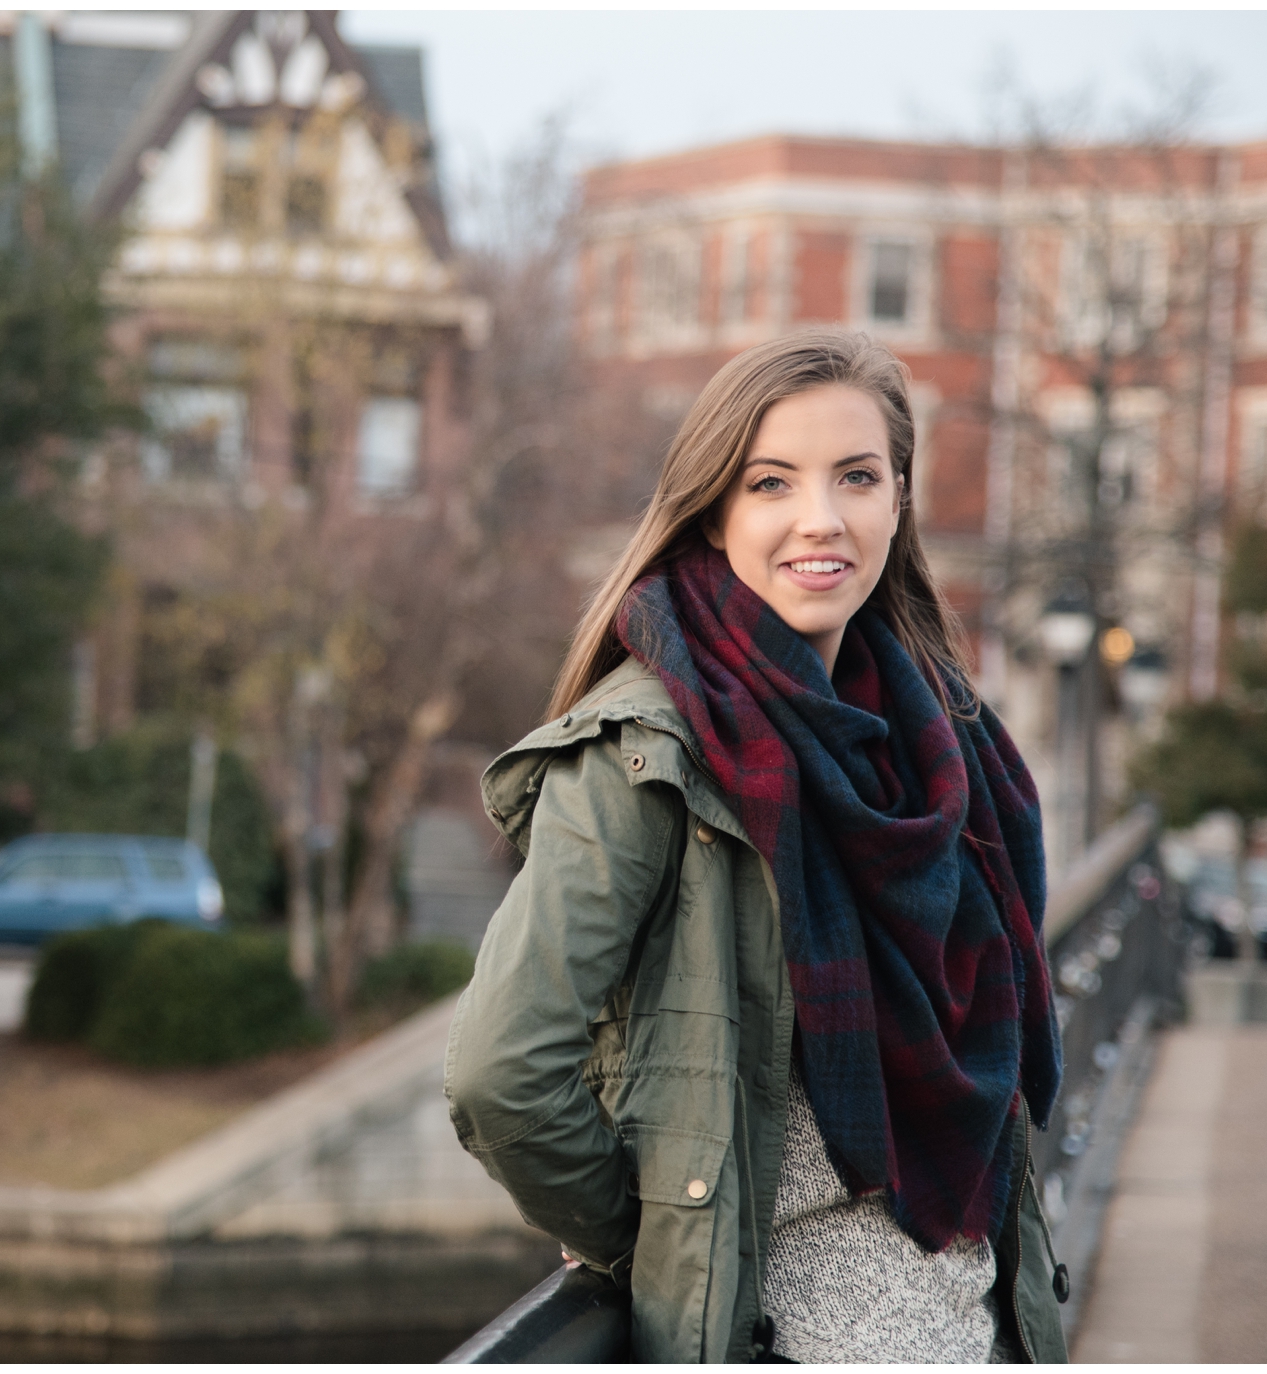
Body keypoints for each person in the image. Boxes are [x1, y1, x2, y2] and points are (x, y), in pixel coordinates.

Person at [444, 329, 1069, 1363]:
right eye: (769, 483)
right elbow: (500, 1071)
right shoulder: (645, 754)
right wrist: (661, 1238)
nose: (818, 519)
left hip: (975, 1325)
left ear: (898, 497)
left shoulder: (944, 741)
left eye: (856, 477)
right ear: (713, 510)